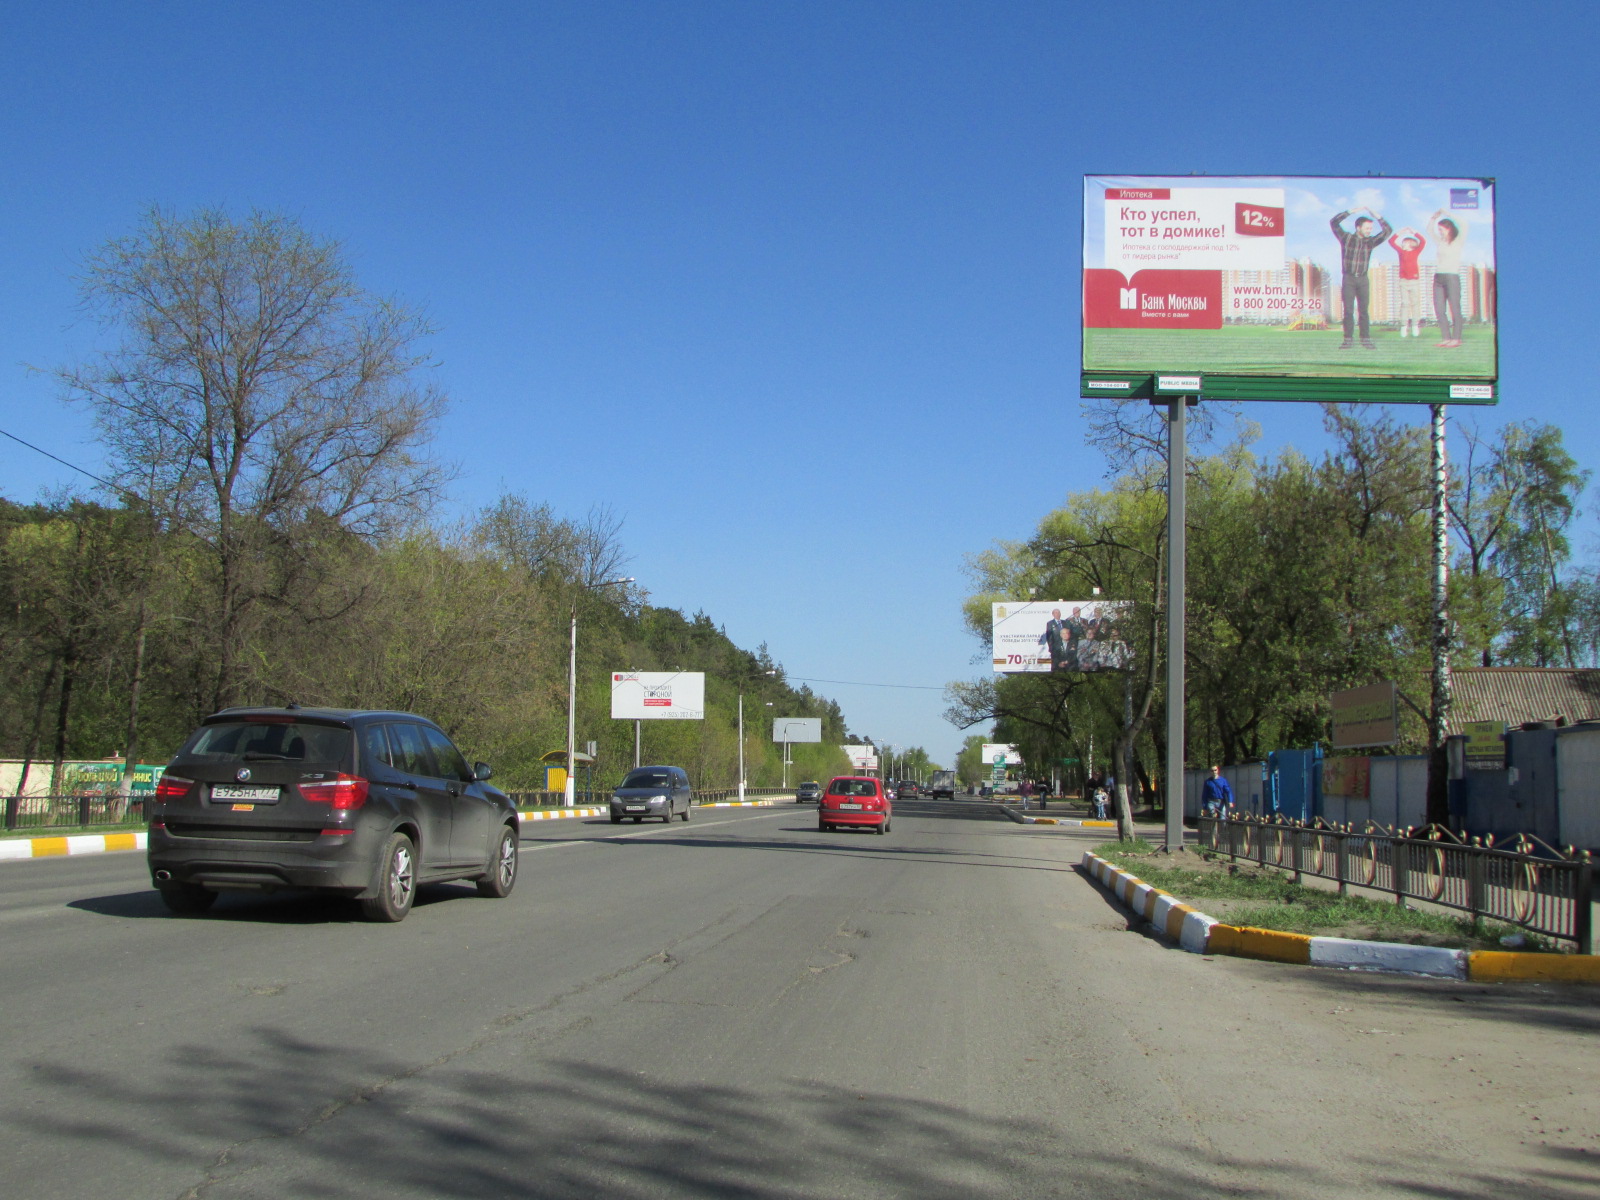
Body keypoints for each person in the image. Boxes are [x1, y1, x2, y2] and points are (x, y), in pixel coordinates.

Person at [1330, 207, 1392, 349]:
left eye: (1371, 228)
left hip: (1363, 280)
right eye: (1367, 228)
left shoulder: (1370, 242)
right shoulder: (1346, 239)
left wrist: (1377, 216)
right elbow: (1333, 222)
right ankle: (1348, 340)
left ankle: (1365, 339)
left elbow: (1388, 231)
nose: (1370, 230)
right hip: (1348, 279)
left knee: (1363, 311)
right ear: (1358, 227)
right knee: (1348, 311)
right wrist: (1350, 212)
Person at [1428, 209, 1469, 348]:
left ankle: (1456, 339)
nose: (1440, 232)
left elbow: (1463, 224)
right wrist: (1434, 217)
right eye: (1439, 230)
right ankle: (1446, 338)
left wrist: (1447, 213)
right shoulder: (1440, 242)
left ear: (1449, 229)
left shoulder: (1458, 241)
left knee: (1455, 308)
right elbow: (1429, 230)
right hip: (1438, 278)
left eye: (1442, 229)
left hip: (1452, 277)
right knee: (1439, 309)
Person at [1388, 227, 1427, 338]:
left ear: (1411, 243)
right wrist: (1401, 232)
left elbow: (1423, 241)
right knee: (1405, 304)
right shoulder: (1401, 252)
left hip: (1415, 281)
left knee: (1415, 304)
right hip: (1403, 282)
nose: (1402, 244)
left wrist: (1413, 232)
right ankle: (1404, 326)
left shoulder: (1416, 251)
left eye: (1404, 242)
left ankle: (1415, 325)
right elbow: (1391, 241)